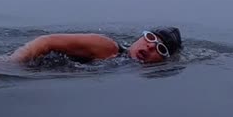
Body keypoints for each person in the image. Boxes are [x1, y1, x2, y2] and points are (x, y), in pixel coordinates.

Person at [11, 27, 183, 65]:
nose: (150, 47)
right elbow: (45, 42)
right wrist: (11, 63)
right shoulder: (107, 47)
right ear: (139, 37)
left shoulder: (122, 65)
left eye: (161, 49)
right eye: (150, 38)